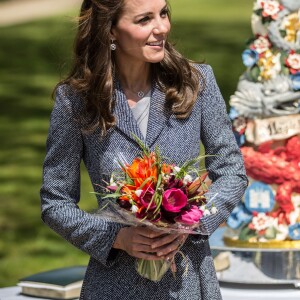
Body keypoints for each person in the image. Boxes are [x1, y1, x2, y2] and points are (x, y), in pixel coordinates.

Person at [40, 0, 248, 299]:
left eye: (163, 13)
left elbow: (232, 172)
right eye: (144, 20)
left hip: (188, 283)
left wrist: (192, 223)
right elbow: (55, 203)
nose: (161, 27)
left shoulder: (196, 83)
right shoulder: (75, 101)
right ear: (110, 30)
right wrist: (117, 237)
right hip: (113, 287)